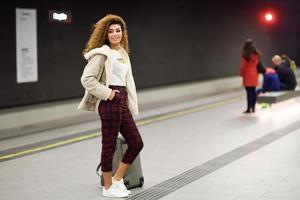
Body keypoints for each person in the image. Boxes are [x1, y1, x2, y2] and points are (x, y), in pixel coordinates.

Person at [78, 14, 143, 198]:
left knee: (136, 143)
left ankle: (117, 179)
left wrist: (127, 101)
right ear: (105, 34)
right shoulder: (101, 53)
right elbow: (87, 79)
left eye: (118, 30)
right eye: (111, 31)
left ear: (123, 33)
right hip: (110, 100)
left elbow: (127, 80)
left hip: (122, 100)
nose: (115, 34)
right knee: (109, 146)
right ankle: (107, 187)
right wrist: (108, 94)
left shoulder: (122, 53)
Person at [240, 39, 261, 113]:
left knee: (249, 92)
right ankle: (253, 108)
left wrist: (242, 74)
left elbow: (243, 66)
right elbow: (257, 64)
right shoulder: (257, 54)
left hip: (248, 74)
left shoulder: (246, 55)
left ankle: (249, 108)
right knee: (253, 91)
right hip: (254, 73)